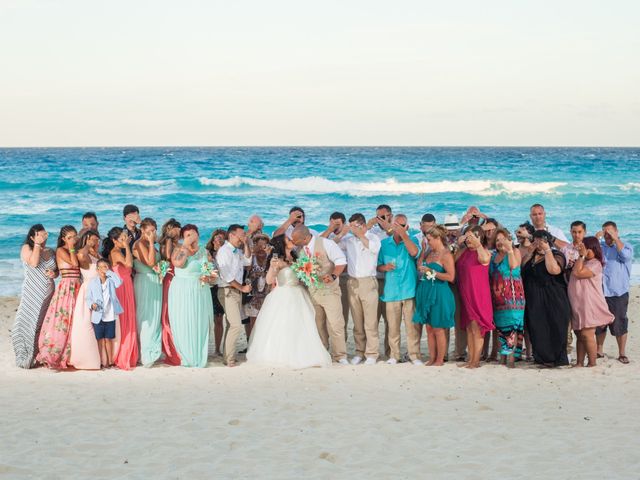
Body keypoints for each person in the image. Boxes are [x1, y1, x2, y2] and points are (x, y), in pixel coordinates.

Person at [246, 234, 332, 368]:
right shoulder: (277, 260)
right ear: (282, 243)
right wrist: (273, 269)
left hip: (299, 293)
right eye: (288, 239)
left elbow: (303, 277)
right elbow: (269, 281)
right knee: (284, 323)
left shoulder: (297, 257)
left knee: (303, 323)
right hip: (283, 293)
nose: (292, 240)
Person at [292, 225, 349, 364]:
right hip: (313, 292)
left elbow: (341, 261)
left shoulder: (326, 243)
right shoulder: (300, 250)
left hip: (329, 291)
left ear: (305, 237)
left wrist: (334, 275)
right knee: (318, 324)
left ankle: (340, 356)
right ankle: (323, 353)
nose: (294, 242)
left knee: (335, 324)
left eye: (296, 240)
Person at [377, 214, 422, 365]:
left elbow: (414, 253)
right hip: (391, 291)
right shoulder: (384, 244)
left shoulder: (413, 240)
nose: (398, 227)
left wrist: (404, 235)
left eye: (402, 225)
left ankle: (414, 356)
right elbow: (378, 265)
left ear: (406, 227)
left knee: (412, 327)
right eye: (396, 224)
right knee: (393, 327)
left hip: (409, 290)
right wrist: (385, 267)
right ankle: (394, 355)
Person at [169, 224, 216, 367]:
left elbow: (210, 273)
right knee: (184, 320)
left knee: (199, 322)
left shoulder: (204, 252)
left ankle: (198, 355)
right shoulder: (178, 249)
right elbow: (178, 263)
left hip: (200, 290)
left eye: (193, 234)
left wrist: (207, 278)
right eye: (187, 235)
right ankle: (186, 355)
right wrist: (185, 245)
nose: (190, 237)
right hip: (182, 290)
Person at [522, 230, 571, 367]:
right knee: (537, 327)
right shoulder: (531, 256)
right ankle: (541, 358)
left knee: (555, 326)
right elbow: (522, 269)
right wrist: (530, 252)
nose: (538, 243)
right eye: (535, 240)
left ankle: (557, 359)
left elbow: (554, 270)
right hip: (534, 298)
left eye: (541, 241)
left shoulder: (557, 254)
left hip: (554, 297)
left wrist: (547, 250)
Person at [11, 224, 57, 369]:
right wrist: (37, 244)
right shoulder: (27, 248)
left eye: (44, 234)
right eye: (39, 235)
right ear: (32, 237)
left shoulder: (50, 251)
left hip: (48, 295)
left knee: (42, 324)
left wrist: (54, 274)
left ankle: (39, 354)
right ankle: (24, 355)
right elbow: (34, 263)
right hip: (32, 293)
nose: (43, 237)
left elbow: (57, 271)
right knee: (26, 322)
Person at [36, 225, 81, 369]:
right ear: (63, 239)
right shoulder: (62, 250)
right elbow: (74, 264)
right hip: (67, 287)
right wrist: (72, 247)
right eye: (69, 237)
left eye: (74, 236)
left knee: (75, 320)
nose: (73, 239)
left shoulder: (74, 250)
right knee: (63, 321)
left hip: (77, 286)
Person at [340, 213, 381, 365]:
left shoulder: (373, 237)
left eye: (355, 226)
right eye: (351, 226)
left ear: (363, 225)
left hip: (368, 282)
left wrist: (361, 234)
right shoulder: (349, 240)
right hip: (352, 282)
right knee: (357, 320)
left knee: (370, 321)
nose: (352, 229)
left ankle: (372, 353)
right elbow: (333, 244)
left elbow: (373, 249)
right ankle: (359, 351)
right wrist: (344, 232)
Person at [567, 236, 614, 367]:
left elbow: (578, 273)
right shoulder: (581, 261)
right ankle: (580, 362)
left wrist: (581, 257)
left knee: (587, 334)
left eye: (586, 248)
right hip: (578, 303)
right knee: (579, 333)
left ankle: (592, 363)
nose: (585, 251)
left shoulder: (595, 263)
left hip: (589, 303)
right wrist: (579, 258)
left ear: (593, 249)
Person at [413, 225, 455, 367]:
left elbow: (451, 277)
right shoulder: (429, 252)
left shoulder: (446, 254)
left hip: (439, 292)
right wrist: (423, 250)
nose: (428, 242)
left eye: (429, 240)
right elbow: (419, 265)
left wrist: (432, 272)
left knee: (438, 327)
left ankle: (440, 359)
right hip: (426, 290)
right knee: (429, 328)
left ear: (438, 238)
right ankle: (432, 358)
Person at [455, 226, 494, 368]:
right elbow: (453, 261)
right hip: (465, 293)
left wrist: (477, 244)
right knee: (470, 327)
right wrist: (459, 243)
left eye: (473, 236)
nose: (469, 239)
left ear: (480, 238)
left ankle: (476, 361)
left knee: (478, 327)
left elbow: (484, 260)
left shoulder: (484, 252)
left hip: (478, 294)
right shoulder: (464, 252)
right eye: (468, 237)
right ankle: (471, 358)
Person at [596, 221, 634, 363]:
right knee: (599, 323)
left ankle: (622, 353)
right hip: (600, 291)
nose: (608, 236)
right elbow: (590, 256)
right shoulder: (601, 247)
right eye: (605, 233)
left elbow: (625, 256)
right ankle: (599, 350)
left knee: (620, 322)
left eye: (610, 232)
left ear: (617, 232)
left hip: (618, 292)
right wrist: (596, 239)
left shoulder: (626, 247)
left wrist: (615, 239)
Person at [216, 224, 252, 367]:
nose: (243, 237)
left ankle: (228, 355)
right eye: (241, 235)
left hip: (235, 291)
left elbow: (248, 261)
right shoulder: (224, 251)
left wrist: (246, 244)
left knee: (232, 324)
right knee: (236, 325)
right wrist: (242, 288)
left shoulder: (236, 251)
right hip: (227, 291)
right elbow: (227, 276)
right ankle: (229, 358)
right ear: (231, 235)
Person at [489, 228, 525, 368]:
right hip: (498, 299)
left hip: (513, 298)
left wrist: (509, 249)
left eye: (502, 239)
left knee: (512, 328)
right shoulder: (493, 257)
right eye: (497, 240)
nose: (499, 242)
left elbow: (513, 266)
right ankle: (503, 358)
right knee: (501, 328)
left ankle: (510, 360)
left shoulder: (515, 252)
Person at [103, 226, 138, 370]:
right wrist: (128, 247)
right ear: (114, 240)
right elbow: (129, 264)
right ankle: (123, 354)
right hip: (121, 287)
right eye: (122, 238)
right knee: (124, 319)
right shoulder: (115, 252)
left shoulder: (119, 251)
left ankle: (127, 353)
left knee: (129, 317)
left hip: (126, 285)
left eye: (126, 238)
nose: (125, 240)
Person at [69, 230, 102, 370]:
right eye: (94, 239)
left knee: (100, 325)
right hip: (88, 290)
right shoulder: (84, 254)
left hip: (100, 290)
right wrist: (88, 245)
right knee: (86, 324)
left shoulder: (97, 255)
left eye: (98, 240)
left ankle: (102, 356)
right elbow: (81, 254)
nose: (97, 242)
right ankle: (88, 359)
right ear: (88, 239)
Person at [133, 218, 163, 367]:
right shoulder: (139, 244)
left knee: (155, 316)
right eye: (149, 231)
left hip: (155, 283)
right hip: (145, 282)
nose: (152, 234)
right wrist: (152, 242)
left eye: (154, 231)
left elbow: (157, 264)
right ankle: (145, 354)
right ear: (142, 230)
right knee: (146, 317)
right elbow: (150, 262)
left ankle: (151, 349)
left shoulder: (154, 246)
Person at [367, 204, 394, 358]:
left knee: (390, 320)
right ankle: (372, 352)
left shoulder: (396, 230)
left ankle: (390, 352)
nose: (380, 220)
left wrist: (388, 227)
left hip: (390, 280)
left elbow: (398, 240)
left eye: (383, 216)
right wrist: (368, 226)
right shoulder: (373, 232)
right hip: (375, 278)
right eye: (378, 217)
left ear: (390, 215)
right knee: (372, 318)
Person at [320, 211, 351, 342]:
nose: (335, 227)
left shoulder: (349, 238)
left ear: (344, 224)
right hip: (327, 279)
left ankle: (341, 344)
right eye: (332, 223)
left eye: (337, 224)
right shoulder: (326, 237)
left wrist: (343, 233)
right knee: (324, 315)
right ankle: (324, 345)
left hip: (343, 278)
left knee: (342, 314)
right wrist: (330, 229)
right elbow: (318, 243)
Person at [86, 258, 123, 368]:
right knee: (100, 340)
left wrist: (110, 272)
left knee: (108, 339)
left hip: (110, 314)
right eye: (101, 267)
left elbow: (119, 283)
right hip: (98, 314)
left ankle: (110, 362)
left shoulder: (111, 280)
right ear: (97, 269)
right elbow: (88, 297)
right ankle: (101, 361)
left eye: (106, 266)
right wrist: (91, 304)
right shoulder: (93, 282)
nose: (104, 269)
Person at [158, 218, 182, 365]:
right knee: (169, 313)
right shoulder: (167, 242)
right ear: (170, 229)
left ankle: (175, 348)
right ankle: (172, 350)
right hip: (170, 277)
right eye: (177, 228)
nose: (179, 231)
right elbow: (168, 257)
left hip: (175, 277)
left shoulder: (172, 243)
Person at [444, 214, 466, 361]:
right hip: (445, 284)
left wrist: (458, 246)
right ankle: (443, 352)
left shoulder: (464, 243)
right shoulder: (441, 243)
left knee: (459, 320)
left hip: (460, 285)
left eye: (454, 229)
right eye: (449, 229)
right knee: (444, 319)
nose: (452, 232)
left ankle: (460, 352)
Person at [244, 234, 271, 339]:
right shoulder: (251, 259)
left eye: (263, 246)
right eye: (258, 246)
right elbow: (246, 270)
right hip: (253, 296)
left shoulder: (271, 259)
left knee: (267, 322)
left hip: (267, 295)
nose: (261, 249)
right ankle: (252, 345)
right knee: (253, 323)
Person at [206, 228, 227, 357]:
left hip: (222, 286)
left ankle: (218, 348)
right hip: (210, 287)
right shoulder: (207, 252)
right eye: (216, 238)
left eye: (221, 238)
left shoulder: (227, 252)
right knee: (209, 319)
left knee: (219, 319)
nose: (218, 240)